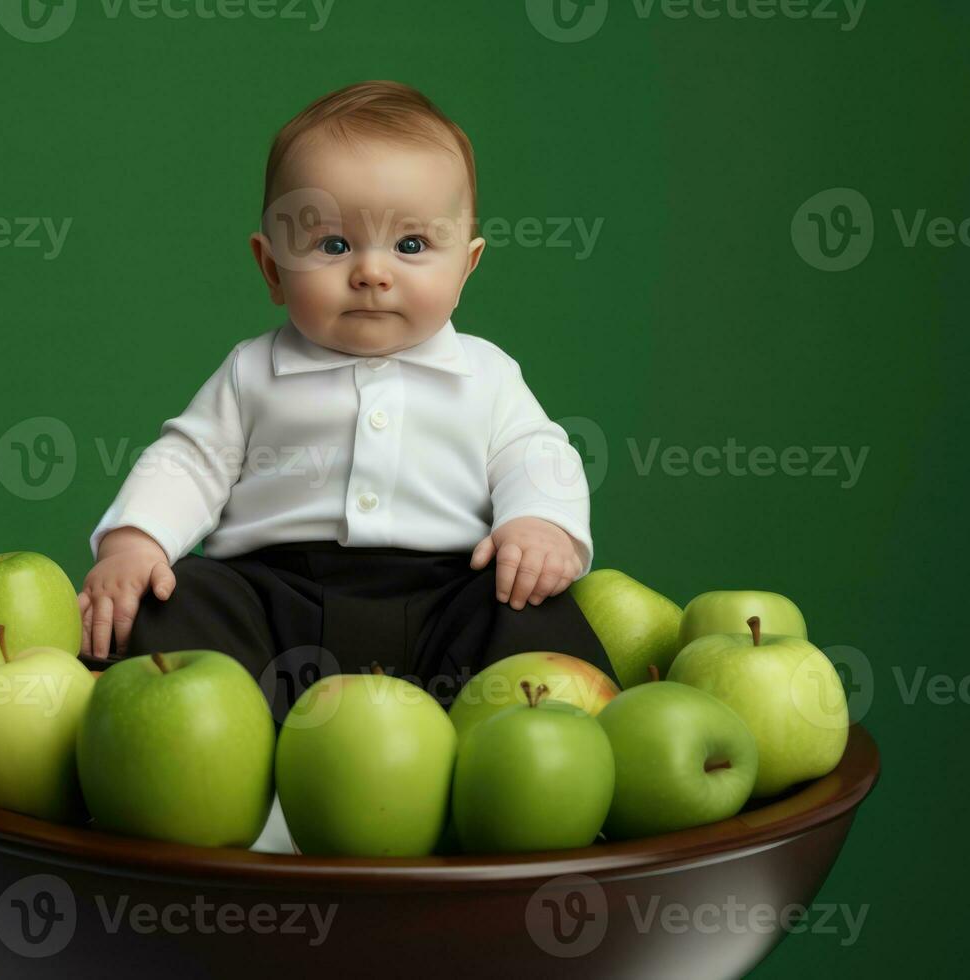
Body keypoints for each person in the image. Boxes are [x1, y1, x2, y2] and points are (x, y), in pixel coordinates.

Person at [77, 80, 614, 715]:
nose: (372, 272)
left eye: (411, 246)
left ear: (466, 267)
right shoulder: (253, 372)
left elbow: (536, 453)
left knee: (531, 615)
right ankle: (213, 749)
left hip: (448, 592)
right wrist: (136, 542)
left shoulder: (486, 375)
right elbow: (188, 461)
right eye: (333, 245)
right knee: (181, 599)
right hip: (274, 594)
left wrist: (539, 524)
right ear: (272, 268)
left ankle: (514, 762)